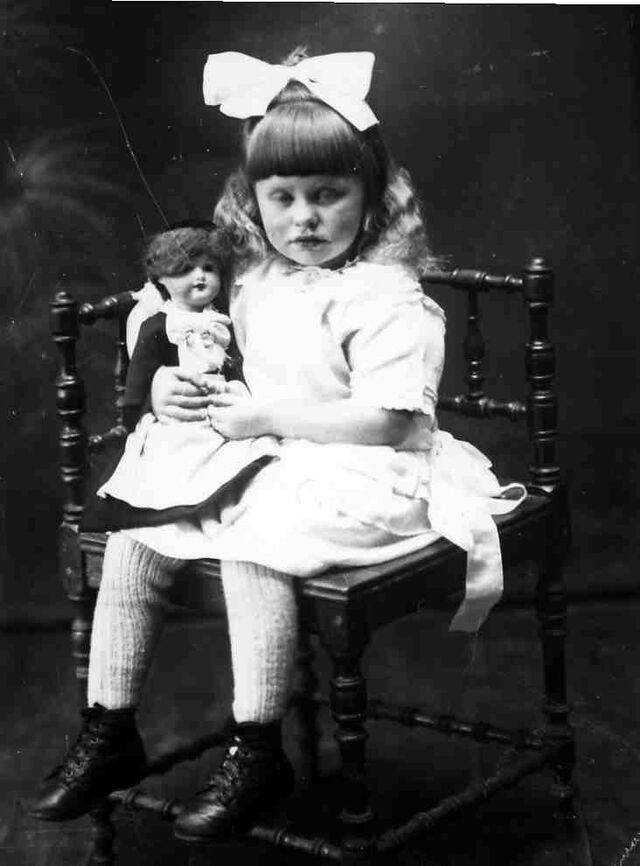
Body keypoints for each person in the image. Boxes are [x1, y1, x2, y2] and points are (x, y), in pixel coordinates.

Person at [31, 48, 525, 841]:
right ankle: (110, 726)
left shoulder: (386, 296)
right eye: (282, 197)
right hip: (265, 457)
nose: (304, 220)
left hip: (369, 470)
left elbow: (395, 423)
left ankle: (257, 749)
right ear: (252, 198)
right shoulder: (252, 275)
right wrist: (157, 386)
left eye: (328, 195)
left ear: (372, 196)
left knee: (256, 543)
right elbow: (159, 314)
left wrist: (265, 418)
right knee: (136, 538)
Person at [91, 221, 278, 528]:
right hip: (182, 412)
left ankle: (229, 506)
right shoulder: (159, 324)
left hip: (220, 402)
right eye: (186, 269)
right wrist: (132, 415)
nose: (200, 276)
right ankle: (190, 512)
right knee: (182, 457)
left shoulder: (220, 322)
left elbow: (234, 364)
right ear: (161, 278)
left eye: (209, 268)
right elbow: (139, 374)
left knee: (248, 451)